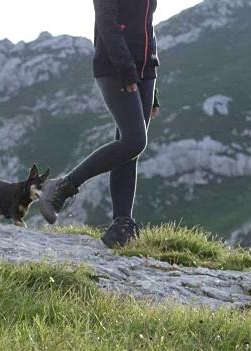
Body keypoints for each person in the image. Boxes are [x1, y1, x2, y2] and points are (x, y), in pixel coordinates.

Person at [40, 0, 160, 248]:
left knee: (129, 150)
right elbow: (107, 23)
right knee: (134, 141)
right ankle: (63, 187)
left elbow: (146, 26)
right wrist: (126, 69)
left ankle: (121, 227)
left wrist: (152, 89)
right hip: (115, 65)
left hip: (146, 70)